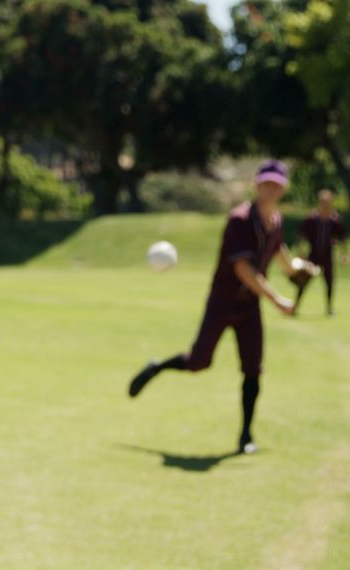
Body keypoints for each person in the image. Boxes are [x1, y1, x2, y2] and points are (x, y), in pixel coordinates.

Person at [127, 160, 316, 455]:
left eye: (276, 185)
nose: (270, 189)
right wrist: (278, 299)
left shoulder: (275, 220)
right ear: (257, 185)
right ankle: (157, 367)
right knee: (199, 361)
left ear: (283, 188)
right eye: (266, 183)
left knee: (253, 368)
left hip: (249, 305)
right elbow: (243, 268)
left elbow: (276, 247)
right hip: (223, 301)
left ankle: (245, 436)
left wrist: (293, 270)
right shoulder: (239, 220)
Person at [295, 189, 347, 317]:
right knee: (304, 280)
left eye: (327, 202)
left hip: (327, 254)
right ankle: (295, 306)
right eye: (323, 201)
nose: (325, 204)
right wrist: (300, 250)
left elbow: (341, 238)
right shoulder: (311, 218)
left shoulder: (335, 220)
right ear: (319, 202)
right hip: (313, 254)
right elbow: (302, 235)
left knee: (329, 281)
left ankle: (329, 308)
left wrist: (344, 254)